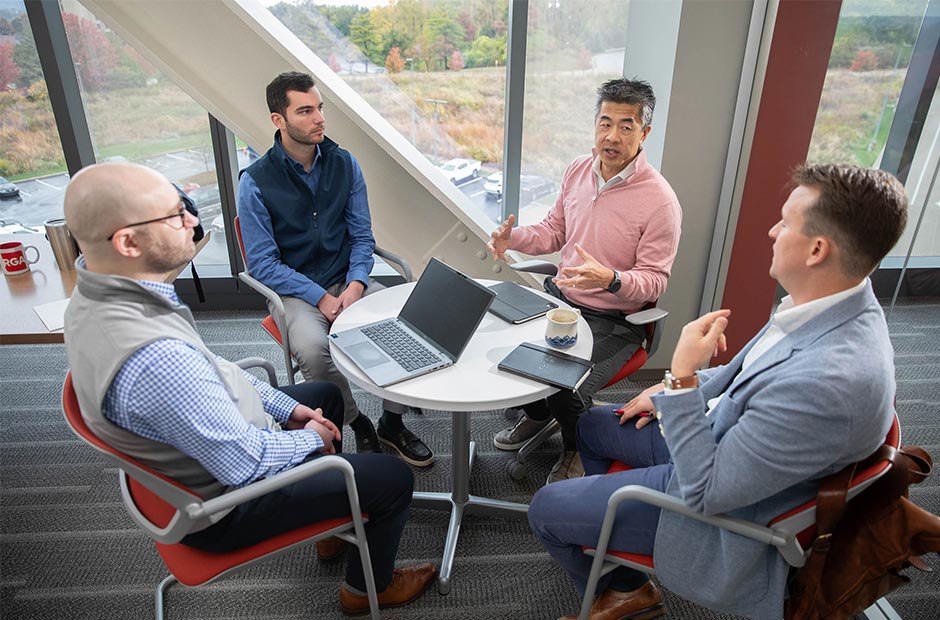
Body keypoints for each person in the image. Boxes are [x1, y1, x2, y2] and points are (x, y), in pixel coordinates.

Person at [528, 163, 908, 620]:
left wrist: (685, 377)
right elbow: (743, 371)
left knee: (546, 508)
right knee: (591, 425)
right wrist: (671, 386)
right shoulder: (828, 303)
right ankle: (622, 579)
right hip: (722, 437)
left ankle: (618, 576)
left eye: (785, 223)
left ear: (817, 250)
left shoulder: (827, 383)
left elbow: (705, 490)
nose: (772, 230)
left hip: (715, 503)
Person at [63, 162, 436, 614]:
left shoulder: (101, 293)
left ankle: (333, 527)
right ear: (127, 242)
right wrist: (307, 439)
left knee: (325, 397)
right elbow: (244, 462)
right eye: (175, 215)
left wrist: (287, 409)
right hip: (226, 506)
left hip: (209, 454)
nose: (192, 222)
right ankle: (366, 589)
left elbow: (213, 368)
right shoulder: (154, 358)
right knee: (393, 479)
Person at [488, 78, 682, 485]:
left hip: (612, 320)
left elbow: (654, 283)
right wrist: (514, 238)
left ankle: (578, 447)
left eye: (626, 126)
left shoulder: (661, 201)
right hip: (560, 303)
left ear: (644, 133)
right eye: (605, 123)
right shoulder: (578, 169)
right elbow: (554, 232)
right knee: (500, 345)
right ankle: (539, 416)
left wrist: (610, 279)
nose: (611, 136)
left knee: (565, 380)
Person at [238, 71, 433, 467]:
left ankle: (391, 423)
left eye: (320, 108)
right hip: (296, 291)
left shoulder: (345, 164)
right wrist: (321, 297)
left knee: (407, 324)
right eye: (306, 111)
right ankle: (355, 420)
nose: (319, 118)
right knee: (312, 349)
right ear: (279, 120)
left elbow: (363, 237)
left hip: (349, 279)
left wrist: (357, 284)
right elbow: (261, 264)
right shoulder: (255, 182)